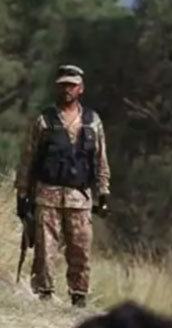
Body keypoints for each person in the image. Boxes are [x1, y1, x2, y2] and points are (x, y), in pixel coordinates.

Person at [15, 64, 111, 307]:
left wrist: (103, 193)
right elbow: (27, 159)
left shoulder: (92, 122)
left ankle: (78, 297)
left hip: (80, 198)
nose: (67, 89)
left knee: (81, 251)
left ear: (81, 88)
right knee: (45, 252)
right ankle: (44, 297)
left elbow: (101, 160)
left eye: (71, 85)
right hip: (47, 196)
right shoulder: (44, 121)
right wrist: (22, 193)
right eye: (63, 85)